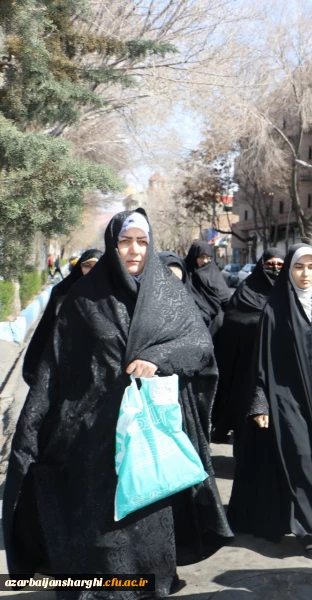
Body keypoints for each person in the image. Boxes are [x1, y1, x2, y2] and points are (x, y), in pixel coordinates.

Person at [3, 209, 232, 593]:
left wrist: (158, 359)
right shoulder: (83, 298)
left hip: (146, 431)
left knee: (145, 515)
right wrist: (34, 424)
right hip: (90, 431)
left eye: (142, 242)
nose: (134, 250)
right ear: (113, 243)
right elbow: (55, 365)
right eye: (126, 241)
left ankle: (149, 583)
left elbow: (198, 346)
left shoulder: (167, 293)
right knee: (99, 522)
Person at [228, 245, 312, 559]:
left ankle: (284, 517)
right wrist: (260, 403)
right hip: (284, 396)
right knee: (300, 456)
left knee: (306, 461)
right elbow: (262, 363)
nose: (305, 274)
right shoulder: (275, 308)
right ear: (288, 271)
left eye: (310, 267)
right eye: (298, 268)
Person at [211, 249, 285, 443]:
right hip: (249, 361)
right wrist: (261, 324)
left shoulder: (289, 290)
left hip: (280, 363)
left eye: (280, 264)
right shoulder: (247, 289)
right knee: (247, 409)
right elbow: (234, 319)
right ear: (262, 265)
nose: (275, 268)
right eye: (270, 264)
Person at [22, 249, 103, 387]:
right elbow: (46, 328)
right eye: (87, 266)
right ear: (80, 267)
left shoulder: (110, 296)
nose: (91, 271)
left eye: (96, 266)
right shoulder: (62, 292)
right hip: (63, 361)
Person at [184, 241, 231, 335]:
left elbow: (226, 298)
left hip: (216, 324)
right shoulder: (186, 274)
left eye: (208, 258)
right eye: (201, 257)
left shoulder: (213, 272)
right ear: (194, 256)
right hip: (193, 325)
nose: (205, 261)